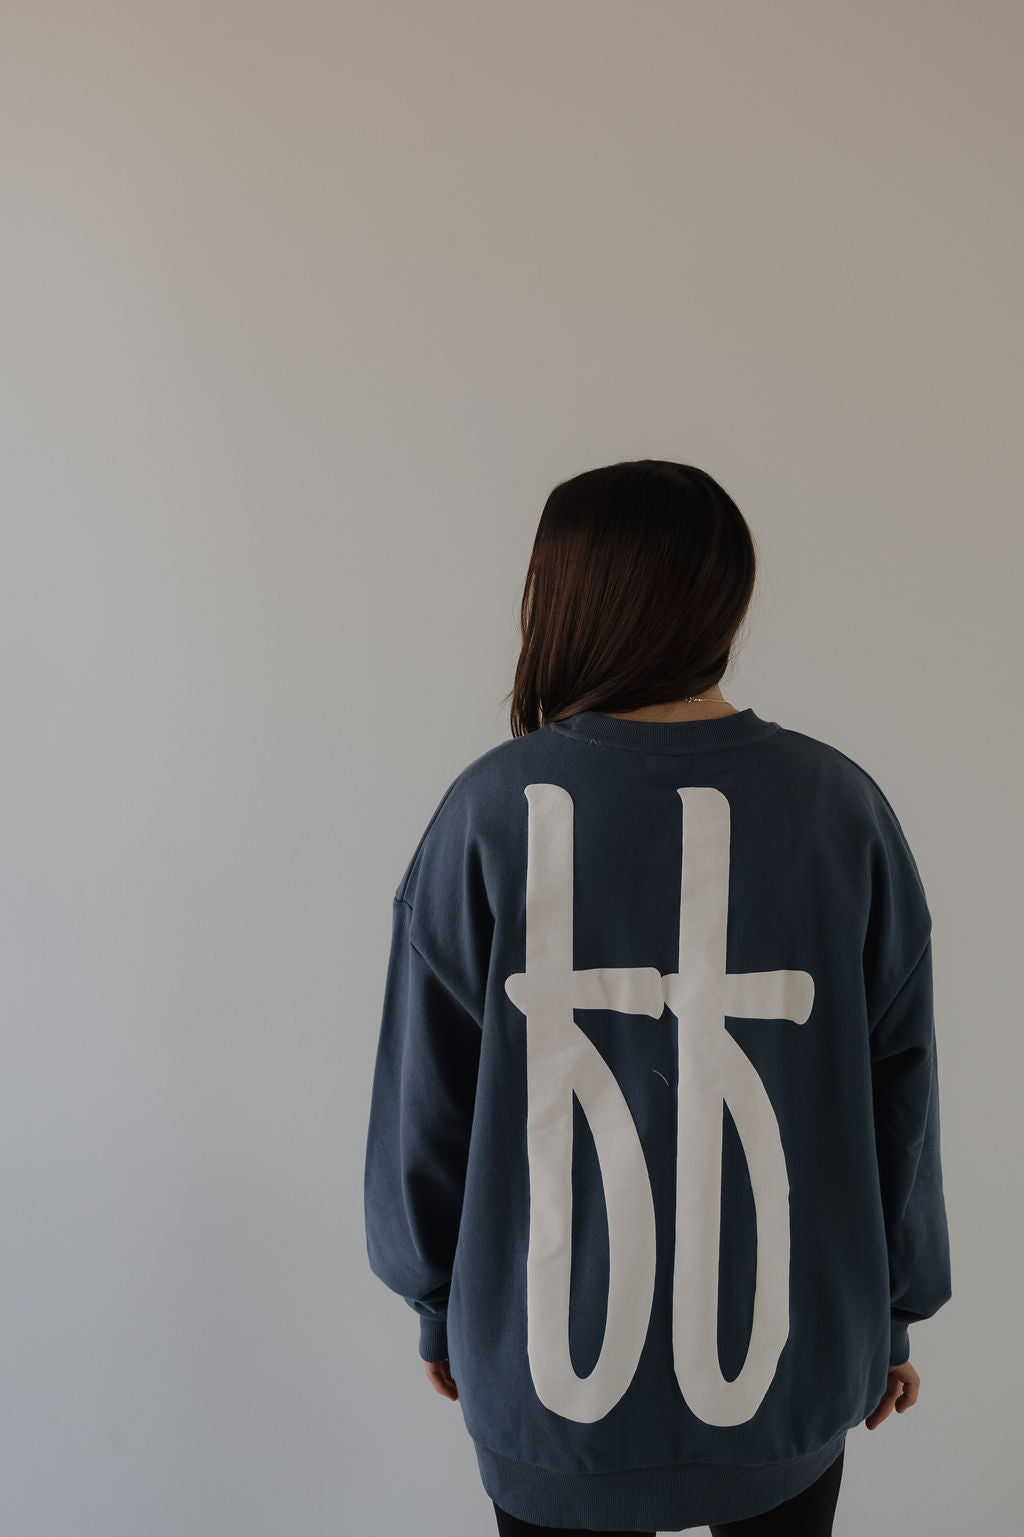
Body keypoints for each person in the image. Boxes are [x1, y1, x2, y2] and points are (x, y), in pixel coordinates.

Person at [363, 460, 951, 1534]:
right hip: (790, 1373)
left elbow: (426, 1102)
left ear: (563, 599)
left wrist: (441, 1306)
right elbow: (897, 1090)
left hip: (549, 1385)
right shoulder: (840, 810)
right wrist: (892, 1314)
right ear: (724, 597)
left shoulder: (487, 814)